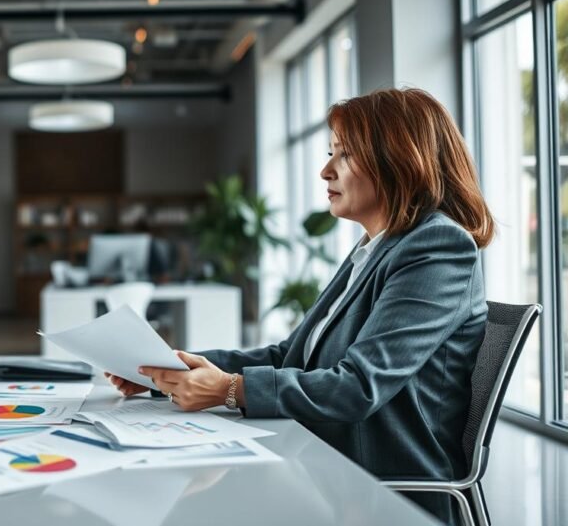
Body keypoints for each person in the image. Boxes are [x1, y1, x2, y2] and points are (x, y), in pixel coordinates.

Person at [106, 87, 494, 525]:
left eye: (344, 155)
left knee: (172, 498)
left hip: (378, 486)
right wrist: (168, 370)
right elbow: (291, 356)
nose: (326, 170)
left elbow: (358, 387)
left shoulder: (437, 247)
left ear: (399, 161)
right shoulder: (375, 249)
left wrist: (230, 389)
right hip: (324, 461)